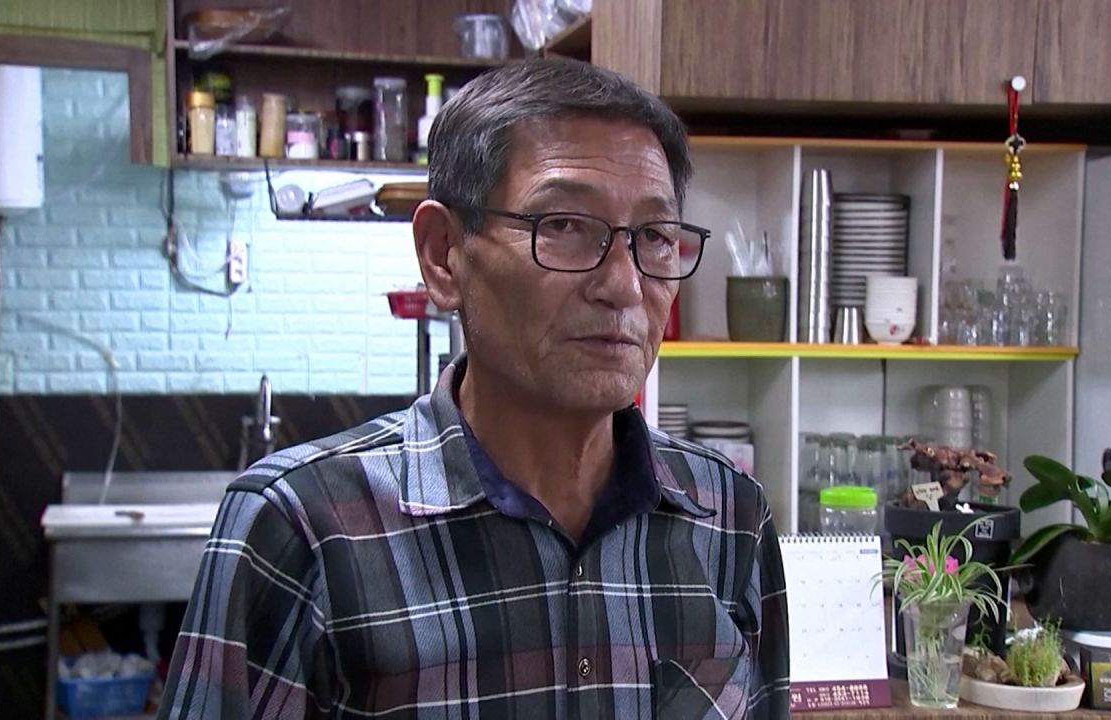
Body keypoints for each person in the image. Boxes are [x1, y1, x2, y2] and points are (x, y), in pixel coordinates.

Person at [159, 57, 789, 719]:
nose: (625, 287)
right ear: (444, 255)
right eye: (565, 227)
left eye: (655, 237)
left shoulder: (729, 517)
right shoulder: (302, 529)